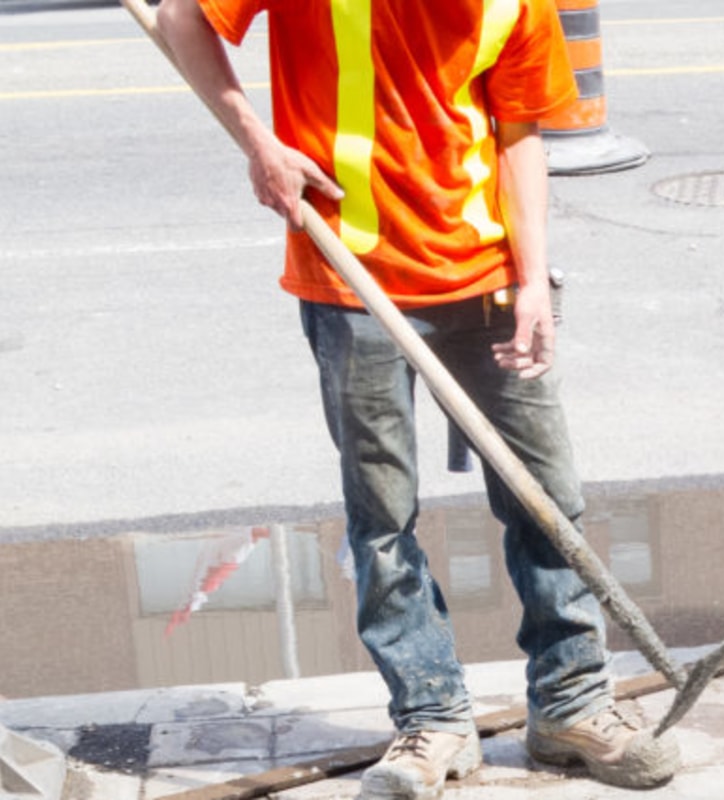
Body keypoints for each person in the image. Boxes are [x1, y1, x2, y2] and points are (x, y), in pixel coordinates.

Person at [154, 0, 675, 797]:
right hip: (349, 277)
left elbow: (520, 129)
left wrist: (533, 280)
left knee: (547, 499)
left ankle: (571, 704)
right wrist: (259, 144)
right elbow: (179, 14)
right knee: (383, 516)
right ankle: (432, 720)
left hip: (487, 274)